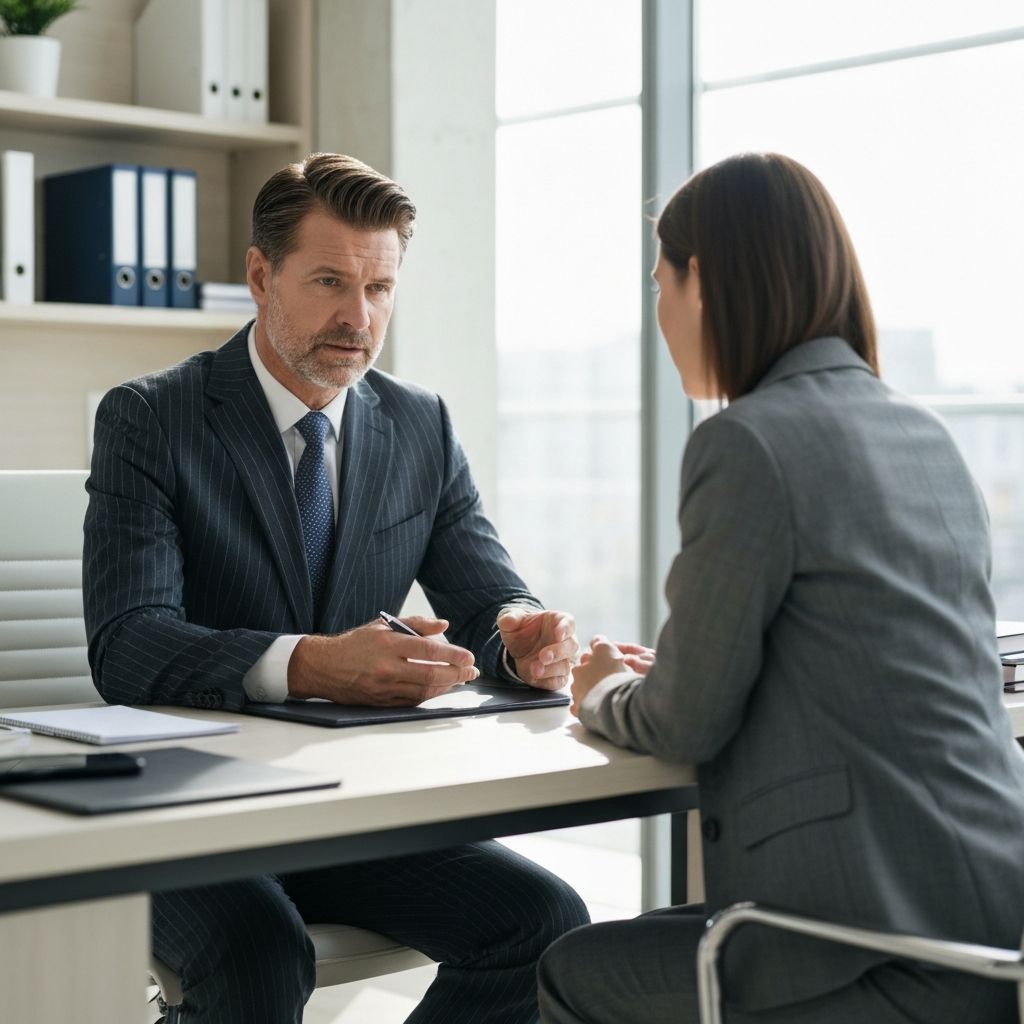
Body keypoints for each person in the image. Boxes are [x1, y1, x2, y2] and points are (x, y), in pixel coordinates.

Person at [84, 152, 588, 1024]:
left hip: (344, 810)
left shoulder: (420, 423)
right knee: (260, 956)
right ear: (260, 277)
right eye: (329, 282)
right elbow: (127, 644)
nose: (359, 317)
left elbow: (487, 600)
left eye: (379, 288)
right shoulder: (152, 417)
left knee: (544, 925)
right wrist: (314, 664)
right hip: (181, 810)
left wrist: (524, 637)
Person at [537, 152, 1024, 1024]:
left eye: (660, 284)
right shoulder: (924, 434)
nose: (659, 315)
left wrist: (603, 687)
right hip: (990, 929)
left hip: (871, 952)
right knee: (651, 936)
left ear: (702, 280)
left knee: (574, 971)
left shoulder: (749, 443)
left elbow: (683, 724)